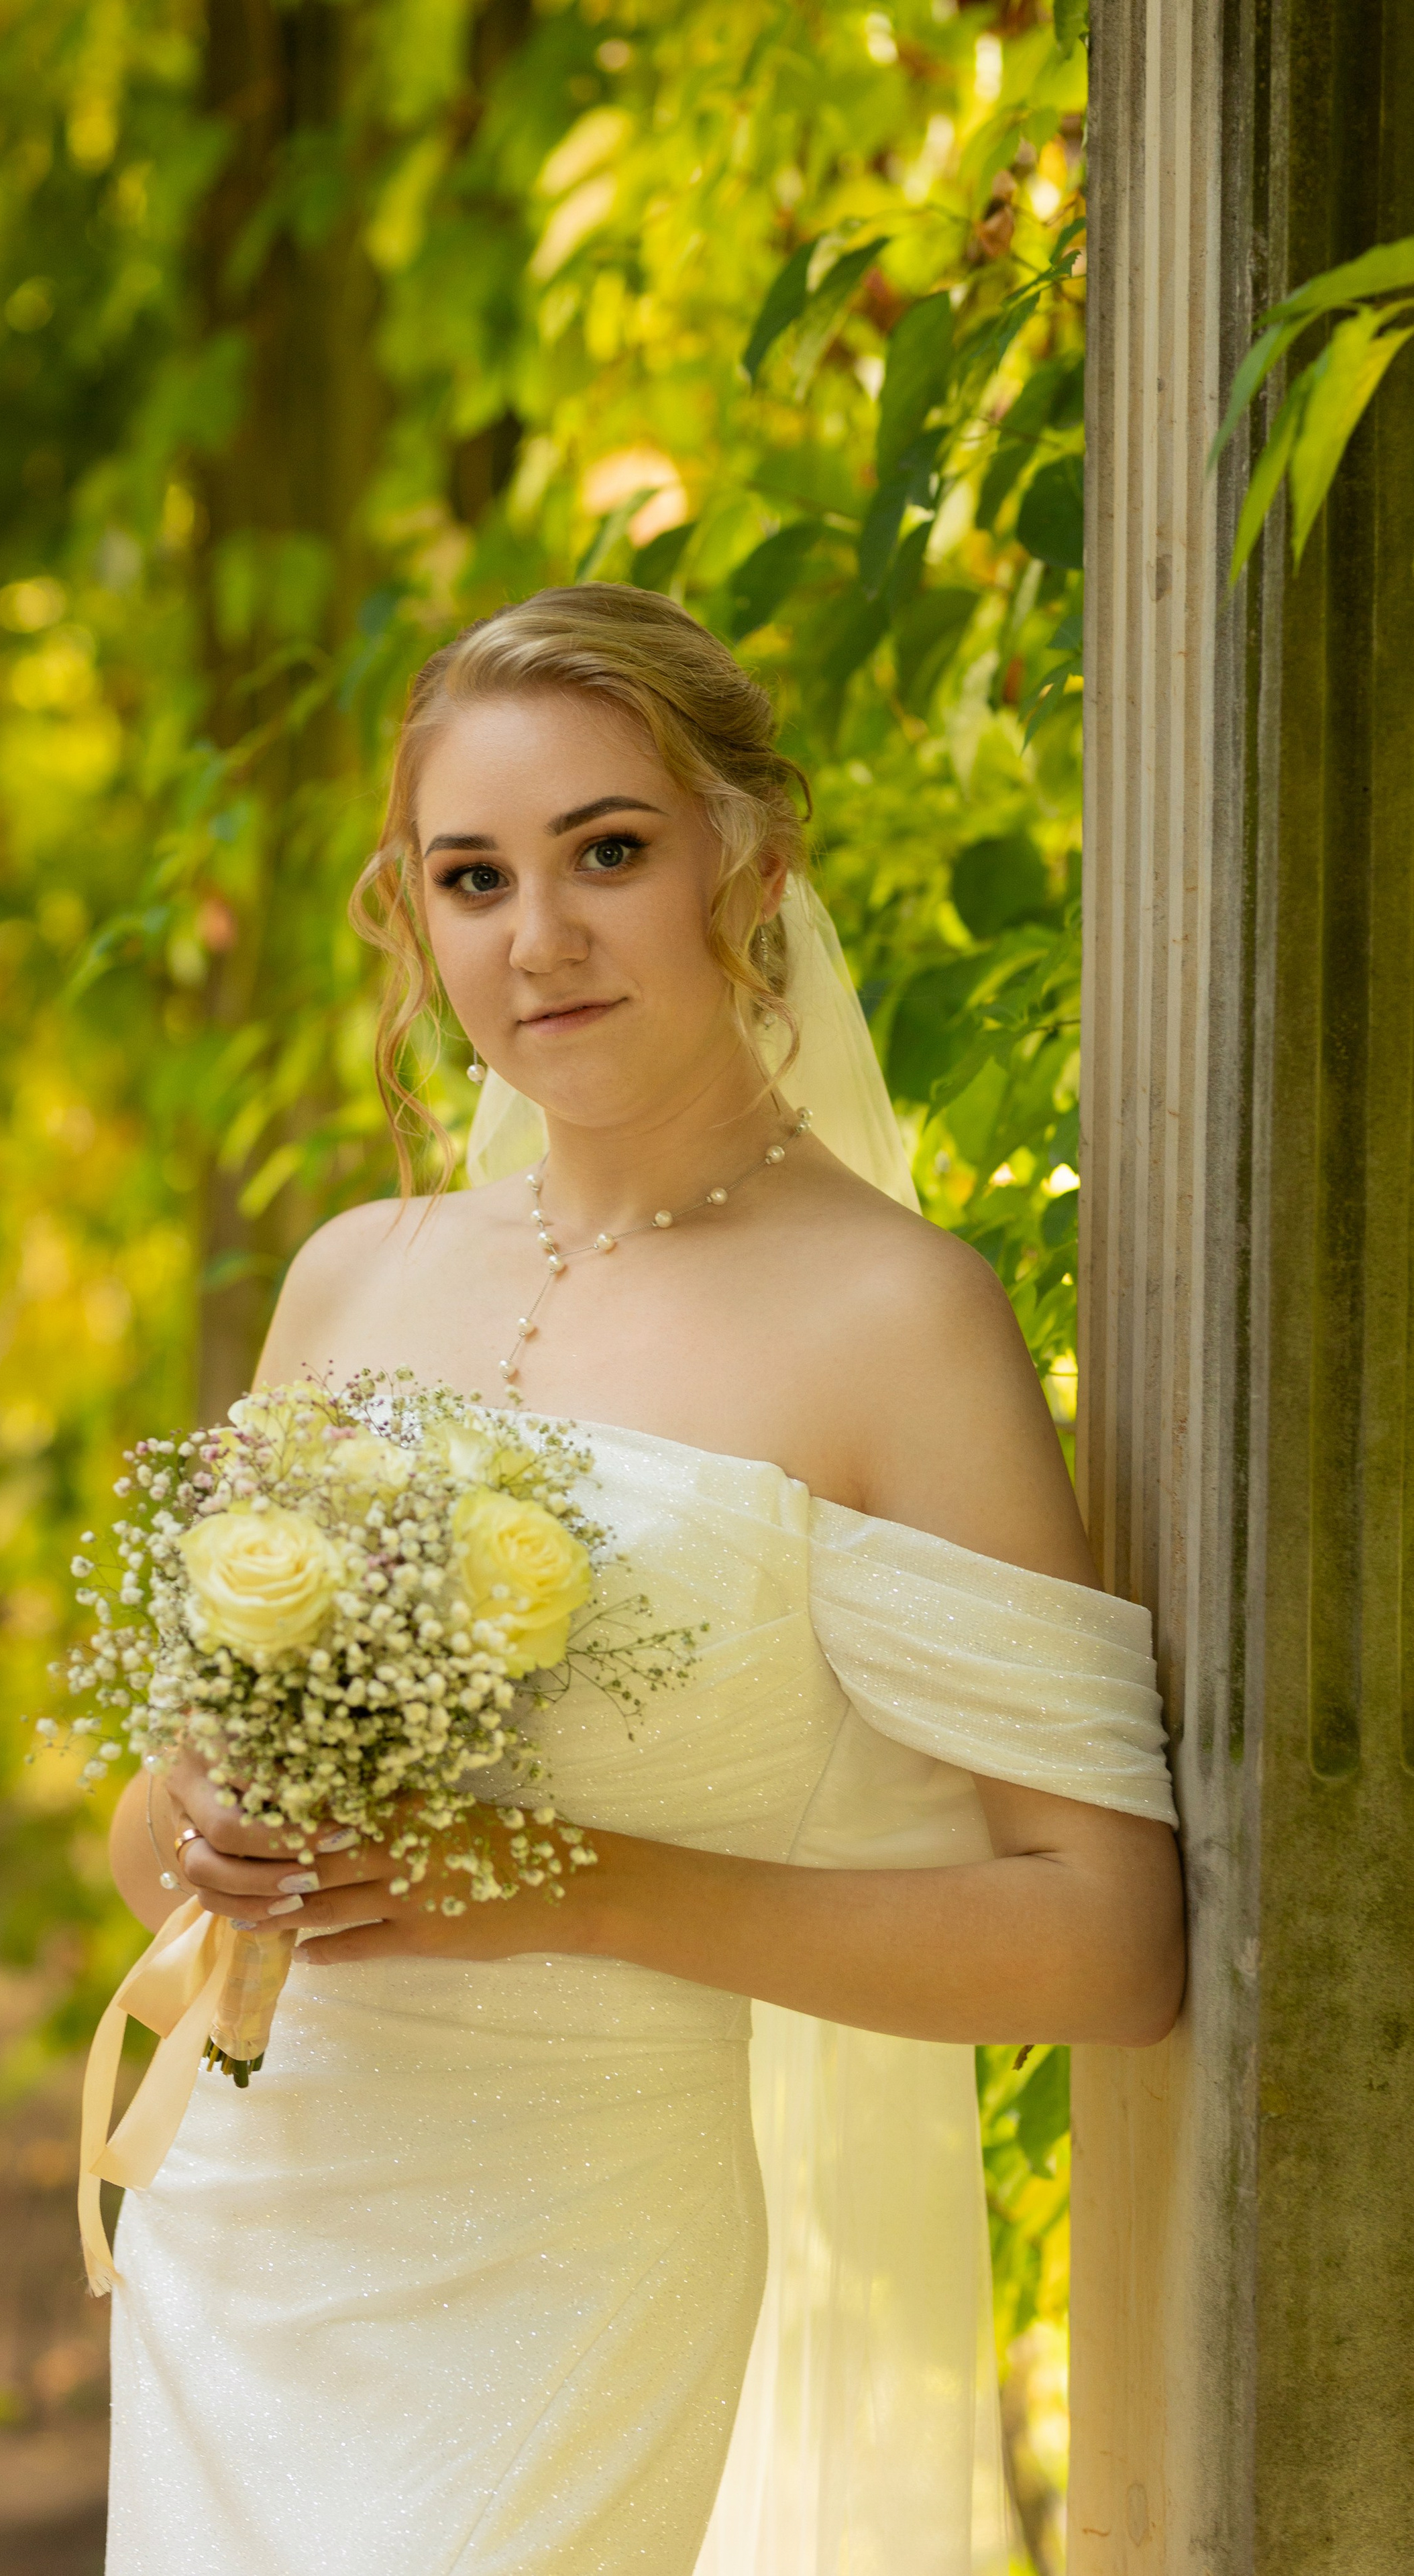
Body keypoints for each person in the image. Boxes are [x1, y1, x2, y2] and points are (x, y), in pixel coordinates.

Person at [99, 585, 1183, 2576]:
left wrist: (568, 1889)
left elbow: (1109, 1939)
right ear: (413, 916)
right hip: (252, 2223)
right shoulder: (352, 1271)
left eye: (609, 850)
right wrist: (205, 1832)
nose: (541, 935)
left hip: (577, 2245)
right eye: (473, 875)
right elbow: (146, 1822)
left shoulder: (896, 1318)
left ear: (750, 864)